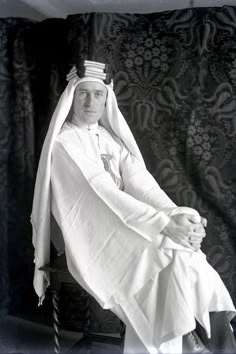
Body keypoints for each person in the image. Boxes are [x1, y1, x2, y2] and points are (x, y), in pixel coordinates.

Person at [31, 60, 236, 353]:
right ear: (72, 97)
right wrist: (164, 224)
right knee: (167, 248)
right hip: (92, 238)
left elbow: (145, 187)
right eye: (83, 94)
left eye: (98, 94)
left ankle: (206, 336)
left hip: (130, 224)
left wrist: (179, 217)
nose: (91, 101)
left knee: (184, 249)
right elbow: (100, 192)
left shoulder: (113, 141)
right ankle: (187, 340)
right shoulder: (65, 142)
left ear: (106, 100)